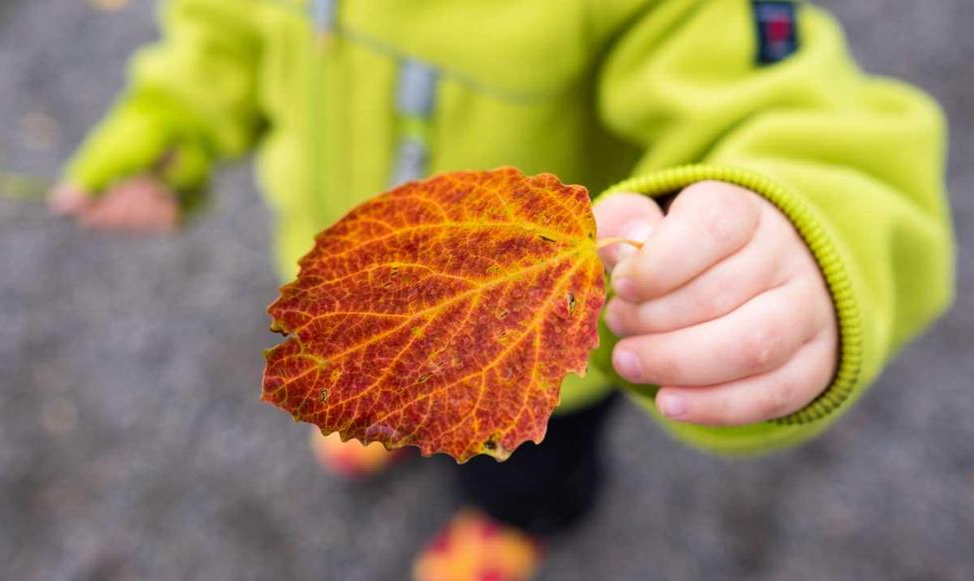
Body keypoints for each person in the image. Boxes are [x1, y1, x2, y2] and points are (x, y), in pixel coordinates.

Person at [50, 1, 955, 579]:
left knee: (532, 458)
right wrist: (173, 124)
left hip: (543, 358)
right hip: (363, 298)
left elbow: (801, 105)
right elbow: (223, 33)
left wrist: (800, 227)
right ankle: (391, 421)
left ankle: (521, 518)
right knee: (370, 383)